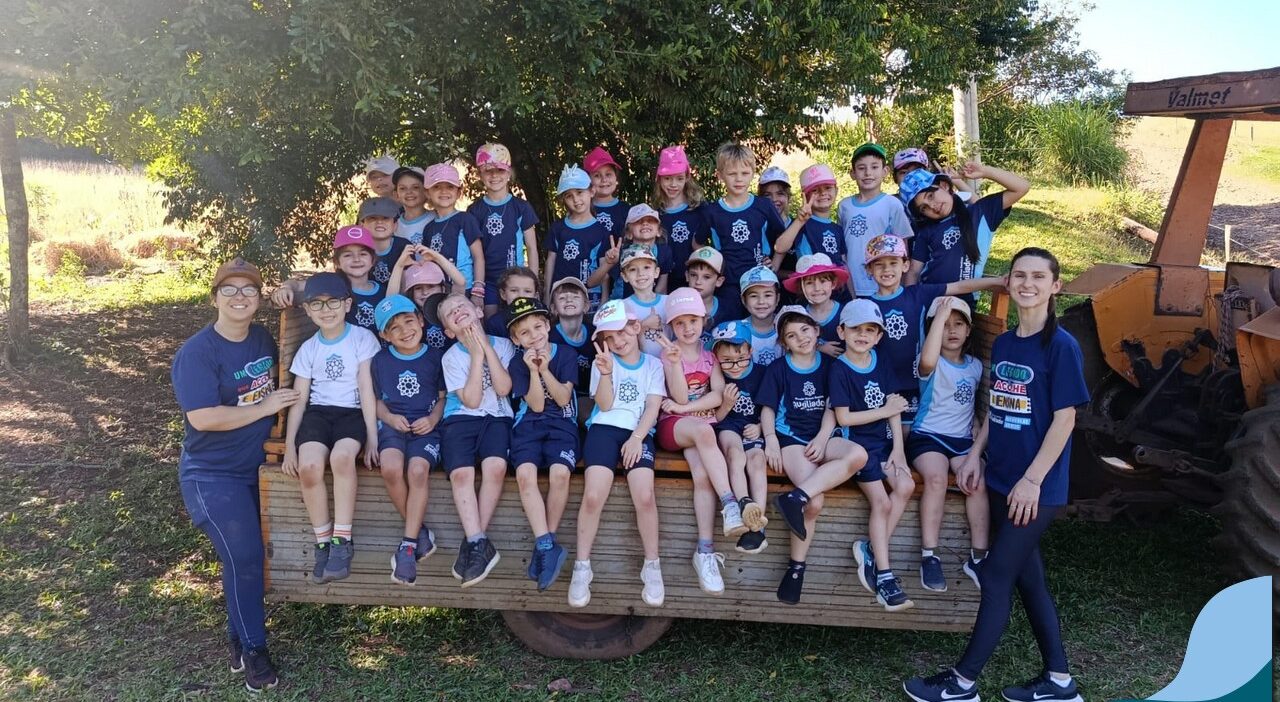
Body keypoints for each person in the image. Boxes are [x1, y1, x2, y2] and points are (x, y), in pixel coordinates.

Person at [903, 248, 1088, 702]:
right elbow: (997, 408)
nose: (1027, 284)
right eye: (1019, 275)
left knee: (996, 576)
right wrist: (974, 454)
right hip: (1001, 480)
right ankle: (1059, 681)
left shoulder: (1061, 346)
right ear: (1009, 282)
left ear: (1055, 286)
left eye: (1038, 277)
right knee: (1029, 579)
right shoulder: (1004, 343)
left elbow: (1065, 419)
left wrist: (1033, 480)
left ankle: (963, 683)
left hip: (1035, 489)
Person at [172, 258, 299, 692]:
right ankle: (254, 651)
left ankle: (236, 637)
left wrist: (292, 287)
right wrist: (263, 408)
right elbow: (203, 418)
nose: (240, 297)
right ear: (215, 297)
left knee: (240, 557)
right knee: (245, 556)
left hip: (257, 471)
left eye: (249, 289)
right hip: (212, 475)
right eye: (230, 289)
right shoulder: (197, 353)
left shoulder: (262, 338)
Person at [760, 306, 868, 604]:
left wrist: (822, 438)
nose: (801, 338)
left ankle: (793, 498)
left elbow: (834, 405)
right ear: (783, 343)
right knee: (815, 501)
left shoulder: (832, 365)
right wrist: (770, 439)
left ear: (817, 331)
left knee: (858, 455)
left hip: (824, 435)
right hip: (792, 439)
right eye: (791, 335)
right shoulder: (778, 369)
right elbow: (768, 408)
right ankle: (796, 569)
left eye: (805, 330)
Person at [281, 272, 381, 587]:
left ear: (348, 304)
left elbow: (367, 389)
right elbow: (299, 400)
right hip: (318, 414)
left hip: (352, 413)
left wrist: (373, 436)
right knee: (309, 467)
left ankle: (342, 540)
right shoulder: (309, 348)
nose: (326, 310)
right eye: (317, 304)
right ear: (307, 310)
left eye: (333, 302)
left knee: (341, 458)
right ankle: (323, 542)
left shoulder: (362, 339)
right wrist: (289, 446)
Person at [569, 300, 667, 609]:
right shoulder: (604, 362)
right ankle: (581, 566)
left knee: (645, 496)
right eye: (609, 338)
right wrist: (606, 374)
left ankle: (652, 565)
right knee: (593, 496)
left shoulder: (653, 365)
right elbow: (605, 405)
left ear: (636, 327)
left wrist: (637, 438)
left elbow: (652, 407)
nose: (618, 341)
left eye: (622, 332)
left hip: (638, 432)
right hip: (604, 429)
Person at [655, 289, 749, 594]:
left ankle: (705, 551)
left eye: (693, 321)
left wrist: (686, 409)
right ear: (671, 326)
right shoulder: (668, 353)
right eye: (679, 323)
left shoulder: (710, 356)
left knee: (703, 476)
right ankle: (731, 503)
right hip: (673, 426)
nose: (687, 328)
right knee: (706, 432)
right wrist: (674, 365)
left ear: (703, 319)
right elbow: (680, 398)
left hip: (697, 423)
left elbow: (718, 395)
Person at [863, 234, 1004, 427]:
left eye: (893, 263)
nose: (887, 269)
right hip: (880, 383)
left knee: (907, 433)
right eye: (879, 265)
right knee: (881, 432)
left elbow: (959, 286)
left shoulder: (919, 294)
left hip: (915, 383)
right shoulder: (866, 306)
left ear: (905, 265)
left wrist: (997, 282)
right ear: (869, 270)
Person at [828, 299, 915, 612]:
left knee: (906, 485)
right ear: (842, 332)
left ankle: (869, 549)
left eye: (870, 330)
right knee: (883, 502)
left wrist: (899, 451)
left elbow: (894, 406)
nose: (862, 335)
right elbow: (844, 418)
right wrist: (885, 410)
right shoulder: (839, 369)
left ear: (878, 336)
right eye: (855, 329)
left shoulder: (880, 359)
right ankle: (885, 575)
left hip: (884, 444)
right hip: (857, 447)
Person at [429, 293, 516, 587]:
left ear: (478, 311)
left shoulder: (504, 345)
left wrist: (486, 348)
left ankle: (474, 542)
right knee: (461, 474)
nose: (457, 311)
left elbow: (503, 389)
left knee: (496, 467)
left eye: (461, 306)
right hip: (461, 418)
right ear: (448, 331)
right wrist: (476, 356)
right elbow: (473, 400)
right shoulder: (451, 357)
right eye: (450, 313)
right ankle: (478, 541)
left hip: (498, 416)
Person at [911, 296, 990, 593]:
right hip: (928, 436)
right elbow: (927, 360)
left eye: (958, 324)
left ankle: (978, 557)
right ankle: (929, 555)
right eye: (945, 325)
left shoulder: (975, 366)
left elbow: (973, 406)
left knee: (976, 482)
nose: (952, 330)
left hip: (961, 440)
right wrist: (939, 318)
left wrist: (977, 423)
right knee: (936, 478)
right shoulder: (930, 363)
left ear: (969, 331)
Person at [505, 297, 579, 591]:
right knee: (525, 475)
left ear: (548, 326)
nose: (534, 336)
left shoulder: (567, 354)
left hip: (562, 423)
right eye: (525, 332)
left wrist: (545, 369)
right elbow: (535, 406)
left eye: (538, 327)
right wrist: (534, 371)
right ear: (516, 339)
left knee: (560, 474)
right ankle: (547, 545)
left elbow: (562, 398)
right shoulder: (517, 363)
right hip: (529, 425)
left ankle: (545, 545)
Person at [371, 295, 444, 586]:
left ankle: (408, 545)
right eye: (394, 327)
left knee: (417, 470)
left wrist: (433, 419)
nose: (404, 330)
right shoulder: (380, 360)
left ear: (421, 321)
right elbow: (376, 401)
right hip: (394, 424)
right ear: (384, 335)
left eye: (408, 321)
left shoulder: (436, 357)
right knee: (390, 468)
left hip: (426, 427)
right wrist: (389, 418)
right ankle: (419, 532)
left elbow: (444, 398)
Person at [704, 144, 805, 319]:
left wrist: (774, 265)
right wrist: (713, 269)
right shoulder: (712, 211)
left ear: (753, 173)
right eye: (732, 174)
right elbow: (698, 243)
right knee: (732, 327)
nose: (739, 179)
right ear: (720, 176)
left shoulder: (763, 206)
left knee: (763, 325)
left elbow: (781, 240)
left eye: (744, 173)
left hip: (760, 281)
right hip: (729, 283)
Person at [900, 163, 1030, 294]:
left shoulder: (981, 213)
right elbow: (914, 271)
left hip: (964, 300)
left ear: (944, 185)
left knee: (953, 307)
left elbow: (1022, 187)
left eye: (930, 196)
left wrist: (985, 171)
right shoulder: (927, 230)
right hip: (929, 297)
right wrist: (910, 301)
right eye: (924, 208)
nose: (932, 206)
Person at [270, 225, 405, 337]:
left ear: (373, 260)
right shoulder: (331, 284)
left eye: (363, 254)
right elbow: (296, 284)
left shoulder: (383, 290)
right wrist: (286, 287)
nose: (356, 259)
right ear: (337, 262)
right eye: (348, 255)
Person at [710, 320, 770, 554]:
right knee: (735, 455)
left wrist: (761, 427)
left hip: (754, 427)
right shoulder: (716, 377)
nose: (735, 366)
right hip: (728, 425)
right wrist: (726, 404)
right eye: (726, 361)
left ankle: (757, 525)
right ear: (716, 358)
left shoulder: (763, 374)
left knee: (757, 460)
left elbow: (772, 409)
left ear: (751, 351)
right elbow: (715, 418)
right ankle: (744, 500)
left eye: (741, 359)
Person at [467, 143, 541, 315]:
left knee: (520, 319)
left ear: (508, 173)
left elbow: (532, 248)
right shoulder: (474, 210)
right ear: (480, 174)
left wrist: (533, 282)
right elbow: (474, 252)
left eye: (500, 170)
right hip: (488, 281)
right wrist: (478, 285)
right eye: (488, 171)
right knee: (491, 320)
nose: (494, 175)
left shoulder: (521, 207)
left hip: (517, 280)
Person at [838, 144, 915, 298]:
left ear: (885, 171)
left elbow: (903, 245)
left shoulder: (892, 204)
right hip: (851, 285)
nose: (868, 173)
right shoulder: (844, 206)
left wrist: (901, 283)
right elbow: (842, 246)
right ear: (852, 173)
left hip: (883, 284)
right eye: (861, 168)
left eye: (874, 167)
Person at [418, 162, 486, 303]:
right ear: (427, 193)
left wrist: (478, 290)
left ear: (459, 192)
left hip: (465, 289)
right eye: (437, 187)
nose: (444, 191)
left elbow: (478, 257)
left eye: (450, 187)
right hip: (438, 290)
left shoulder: (466, 219)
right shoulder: (429, 228)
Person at [545, 164, 611, 311]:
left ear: (592, 191)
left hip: (591, 297)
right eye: (569, 196)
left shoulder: (601, 231)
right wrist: (547, 295)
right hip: (561, 296)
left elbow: (604, 269)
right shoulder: (558, 228)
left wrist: (605, 298)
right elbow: (550, 262)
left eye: (580, 192)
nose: (576, 199)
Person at [773, 163, 846, 282]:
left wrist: (851, 293)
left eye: (828, 187)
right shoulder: (801, 224)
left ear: (836, 190)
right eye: (815, 190)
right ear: (805, 196)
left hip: (837, 290)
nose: (823, 193)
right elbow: (779, 248)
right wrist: (799, 221)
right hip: (813, 290)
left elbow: (844, 264)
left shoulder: (838, 229)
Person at [652, 145, 709, 290]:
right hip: (664, 284)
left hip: (696, 283)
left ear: (687, 177)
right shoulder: (655, 215)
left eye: (679, 178)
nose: (673, 184)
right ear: (659, 179)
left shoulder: (700, 209)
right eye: (667, 178)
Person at [592, 203, 673, 299]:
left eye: (650, 220)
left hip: (650, 303)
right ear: (628, 234)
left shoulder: (664, 252)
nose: (645, 223)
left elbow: (661, 289)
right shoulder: (619, 253)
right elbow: (592, 282)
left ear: (659, 231)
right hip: (621, 303)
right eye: (638, 221)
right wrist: (608, 263)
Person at [783, 253, 848, 358]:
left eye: (823, 281)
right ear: (801, 287)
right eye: (809, 283)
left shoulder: (845, 313)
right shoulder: (798, 315)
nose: (817, 288)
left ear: (833, 283)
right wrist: (818, 347)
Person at [547, 276, 595, 403]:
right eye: (562, 298)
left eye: (575, 297)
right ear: (554, 308)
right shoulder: (549, 337)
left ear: (586, 306)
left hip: (590, 396)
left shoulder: (595, 334)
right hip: (559, 397)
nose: (569, 300)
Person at [738, 265, 783, 367]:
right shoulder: (737, 331)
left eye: (768, 295)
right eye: (754, 296)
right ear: (744, 300)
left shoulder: (786, 326)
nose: (761, 301)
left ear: (777, 298)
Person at [359, 196, 409, 286]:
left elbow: (407, 285)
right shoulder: (358, 250)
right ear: (362, 225)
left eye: (385, 218)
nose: (379, 222)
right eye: (372, 218)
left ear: (395, 225)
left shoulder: (404, 247)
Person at [584, 146, 630, 237]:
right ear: (587, 180)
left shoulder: (627, 210)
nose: (604, 180)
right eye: (597, 175)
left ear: (616, 177)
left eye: (608, 174)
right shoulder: (583, 210)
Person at [483, 266, 540, 339]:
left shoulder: (541, 320)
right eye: (514, 290)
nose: (521, 296)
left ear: (535, 296)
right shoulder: (495, 323)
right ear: (503, 294)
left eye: (527, 291)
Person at [393, 166, 434, 243]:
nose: (409, 192)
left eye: (415, 187)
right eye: (402, 188)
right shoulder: (394, 226)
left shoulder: (436, 218)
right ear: (396, 195)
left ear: (427, 192)